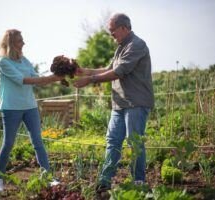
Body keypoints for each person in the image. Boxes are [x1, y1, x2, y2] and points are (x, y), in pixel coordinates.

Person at [74, 13, 154, 193]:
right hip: (119, 104)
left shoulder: (137, 45)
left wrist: (91, 80)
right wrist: (84, 71)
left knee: (134, 143)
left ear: (124, 28)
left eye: (113, 31)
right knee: (112, 141)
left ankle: (139, 182)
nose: (111, 35)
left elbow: (119, 72)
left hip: (136, 103)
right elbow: (109, 69)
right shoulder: (121, 47)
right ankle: (105, 181)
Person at [0, 29, 62, 193]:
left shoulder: (24, 60)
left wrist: (57, 75)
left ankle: (47, 176)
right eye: (20, 40)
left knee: (38, 142)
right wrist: (53, 78)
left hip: (30, 106)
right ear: (11, 43)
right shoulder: (3, 62)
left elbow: (37, 78)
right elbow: (24, 80)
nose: (23, 43)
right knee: (8, 144)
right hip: (11, 108)